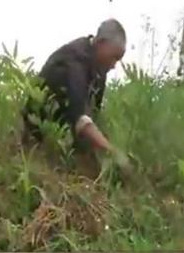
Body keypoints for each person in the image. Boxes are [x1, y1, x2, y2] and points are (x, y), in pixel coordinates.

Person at [22, 19, 131, 174]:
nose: (114, 65)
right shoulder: (76, 59)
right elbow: (80, 117)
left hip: (64, 131)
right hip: (39, 128)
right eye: (114, 57)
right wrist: (111, 151)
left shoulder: (99, 69)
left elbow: (94, 114)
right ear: (101, 43)